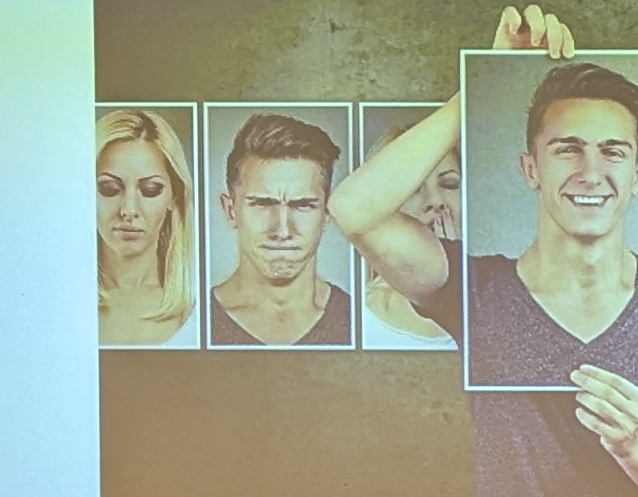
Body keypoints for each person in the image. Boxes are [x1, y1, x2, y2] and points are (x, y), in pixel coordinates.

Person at [332, 11, 638, 497]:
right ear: (530, 168)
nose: (590, 172)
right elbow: (353, 209)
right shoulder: (474, 292)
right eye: (567, 149)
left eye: (613, 152)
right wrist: (478, 82)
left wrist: (636, 447)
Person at [205, 111, 355, 349]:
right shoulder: (193, 321)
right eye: (263, 204)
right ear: (230, 209)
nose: (282, 230)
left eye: (303, 205)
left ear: (327, 213)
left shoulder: (358, 319)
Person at [357, 109, 461, 346]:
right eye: (412, 188)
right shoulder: (358, 315)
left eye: (449, 184)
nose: (435, 201)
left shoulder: (499, 304)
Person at [95, 107, 194, 348]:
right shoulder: (58, 303)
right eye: (109, 189)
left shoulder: (198, 308)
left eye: (150, 190)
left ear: (174, 197)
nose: (128, 210)